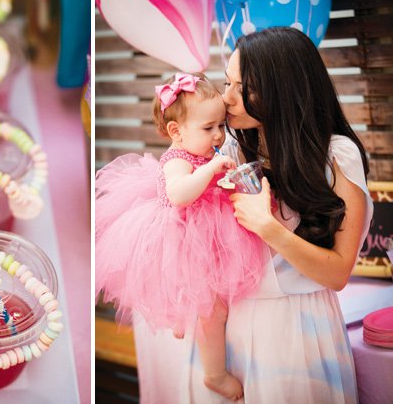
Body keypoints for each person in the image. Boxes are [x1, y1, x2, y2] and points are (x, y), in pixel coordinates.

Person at [176, 26, 373, 404]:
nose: (227, 98)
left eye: (243, 88)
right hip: (230, 324)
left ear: (283, 90)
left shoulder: (336, 155)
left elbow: (337, 273)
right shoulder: (229, 149)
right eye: (227, 83)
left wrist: (269, 228)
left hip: (297, 328)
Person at [96, 73, 266, 401]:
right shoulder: (177, 160)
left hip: (207, 232)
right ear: (176, 131)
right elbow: (179, 194)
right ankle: (215, 375)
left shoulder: (201, 150)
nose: (218, 134)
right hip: (183, 239)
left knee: (213, 295)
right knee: (211, 310)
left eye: (220, 125)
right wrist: (209, 170)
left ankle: (183, 315)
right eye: (208, 128)